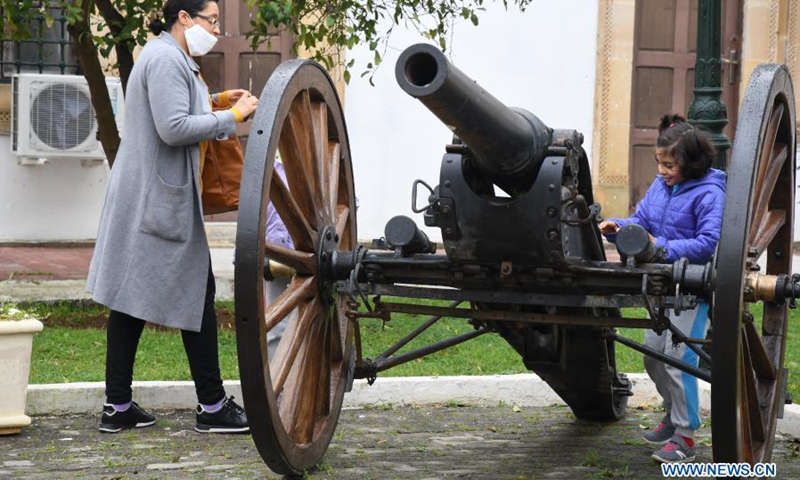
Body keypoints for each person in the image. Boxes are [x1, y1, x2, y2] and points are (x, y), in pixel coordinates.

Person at [86, 0, 259, 434]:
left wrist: (217, 101)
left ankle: (118, 407)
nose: (216, 30)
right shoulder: (165, 58)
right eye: (212, 20)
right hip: (156, 198)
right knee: (195, 291)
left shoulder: (169, 55)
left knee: (131, 300)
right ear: (184, 17)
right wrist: (232, 117)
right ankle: (212, 406)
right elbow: (173, 127)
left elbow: (176, 109)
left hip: (152, 194)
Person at [599, 114, 726, 463]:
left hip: (693, 289)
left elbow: (708, 243)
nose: (661, 170)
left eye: (669, 165)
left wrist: (661, 247)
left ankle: (685, 436)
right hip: (661, 286)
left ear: (692, 163)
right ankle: (673, 414)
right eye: (659, 162)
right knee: (654, 357)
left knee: (679, 359)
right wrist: (618, 226)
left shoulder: (710, 193)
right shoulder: (660, 186)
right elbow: (642, 221)